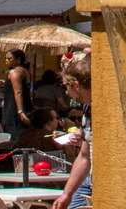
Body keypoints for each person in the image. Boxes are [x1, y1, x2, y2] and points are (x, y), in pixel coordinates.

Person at [51, 52, 90, 209]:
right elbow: (84, 155)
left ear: (76, 86)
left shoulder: (102, 106)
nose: (66, 92)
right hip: (87, 179)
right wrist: (66, 194)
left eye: (66, 87)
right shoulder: (87, 107)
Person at [0, 50, 33, 135]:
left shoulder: (15, 72)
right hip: (26, 105)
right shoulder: (25, 71)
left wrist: (20, 111)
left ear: (18, 60)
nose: (6, 60)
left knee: (14, 133)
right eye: (6, 58)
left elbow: (18, 91)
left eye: (9, 58)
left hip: (13, 108)